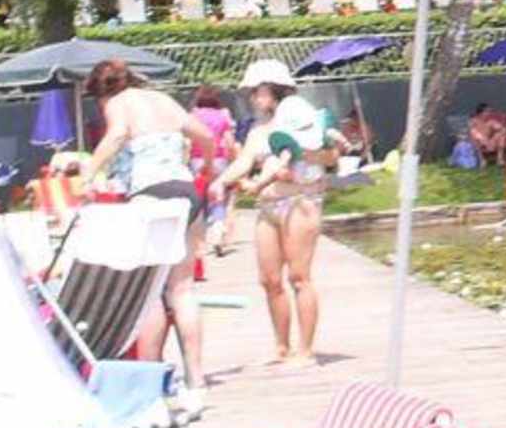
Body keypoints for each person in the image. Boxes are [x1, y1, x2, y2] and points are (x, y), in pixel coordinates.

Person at [75, 60, 220, 400]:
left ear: (101, 93)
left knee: (150, 290)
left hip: (151, 194)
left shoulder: (118, 103)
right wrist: (207, 167)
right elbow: (205, 135)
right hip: (185, 190)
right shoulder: (161, 99)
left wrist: (88, 173)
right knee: (183, 289)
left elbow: (117, 135)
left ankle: (151, 375)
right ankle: (196, 376)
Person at [212, 59, 338, 369]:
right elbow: (244, 161)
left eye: (258, 91)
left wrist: (300, 155)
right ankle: (281, 346)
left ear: (275, 91)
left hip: (300, 202)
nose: (253, 98)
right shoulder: (258, 130)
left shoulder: (303, 121)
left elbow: (330, 156)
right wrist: (221, 181)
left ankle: (306, 350)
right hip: (268, 207)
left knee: (299, 276)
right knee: (269, 279)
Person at [188, 84, 239, 257]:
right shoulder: (222, 116)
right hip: (219, 159)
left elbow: (188, 140)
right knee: (217, 197)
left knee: (199, 198)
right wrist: (232, 159)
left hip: (197, 159)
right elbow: (229, 141)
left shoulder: (193, 116)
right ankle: (217, 232)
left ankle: (199, 243)